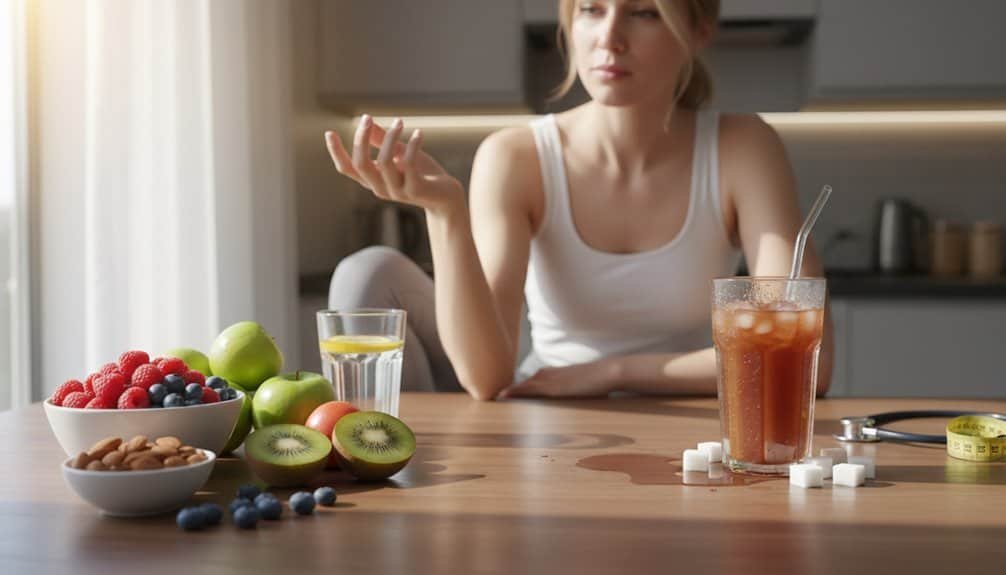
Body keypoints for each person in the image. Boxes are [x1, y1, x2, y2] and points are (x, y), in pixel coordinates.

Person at [323, 0, 833, 400]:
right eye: (591, 9)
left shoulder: (742, 145)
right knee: (365, 273)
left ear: (698, 31)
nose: (609, 37)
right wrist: (444, 212)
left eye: (644, 12)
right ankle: (383, 463)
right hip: (545, 407)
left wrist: (612, 372)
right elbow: (485, 377)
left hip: (690, 417)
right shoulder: (516, 155)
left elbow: (805, 360)